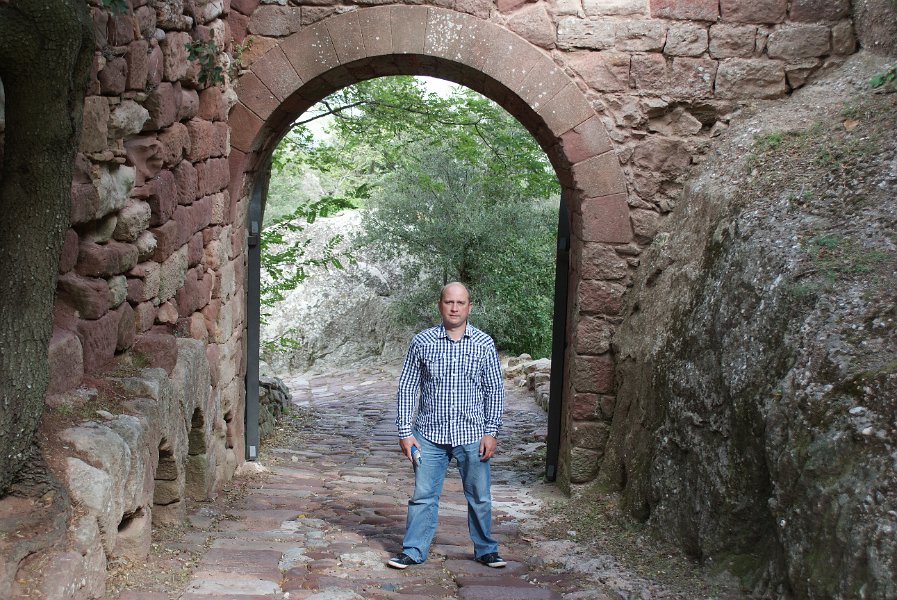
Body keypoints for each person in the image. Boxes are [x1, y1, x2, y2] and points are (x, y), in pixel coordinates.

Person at [387, 282, 507, 570]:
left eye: (460, 302)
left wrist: (491, 431)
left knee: (480, 496)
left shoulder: (484, 344)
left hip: (472, 434)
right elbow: (407, 387)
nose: (454, 308)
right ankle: (413, 550)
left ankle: (486, 550)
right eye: (449, 302)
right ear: (440, 305)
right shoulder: (422, 342)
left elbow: (495, 390)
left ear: (469, 307)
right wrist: (405, 431)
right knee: (422, 497)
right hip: (429, 435)